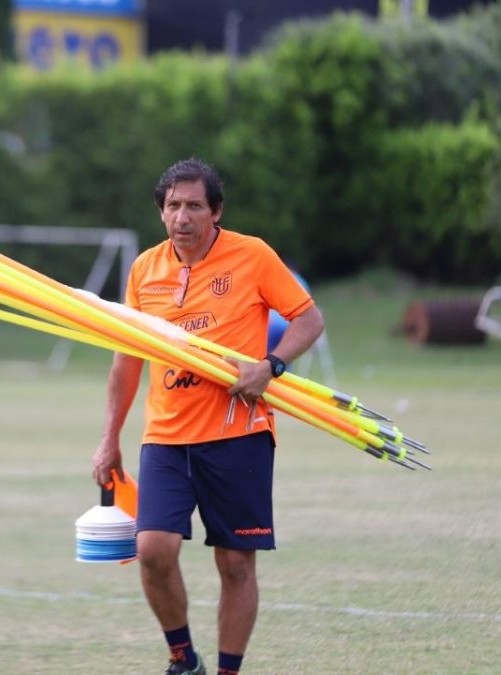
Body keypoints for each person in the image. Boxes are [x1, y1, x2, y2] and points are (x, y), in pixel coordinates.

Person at [92, 158, 324, 675]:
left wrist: (271, 366)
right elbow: (125, 362)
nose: (183, 217)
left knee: (236, 563)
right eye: (173, 206)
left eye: (195, 205)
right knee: (152, 550)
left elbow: (309, 318)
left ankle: (227, 671)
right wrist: (109, 439)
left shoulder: (253, 255)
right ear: (161, 213)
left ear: (216, 211)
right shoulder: (143, 271)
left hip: (238, 432)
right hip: (166, 437)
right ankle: (183, 659)